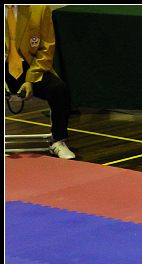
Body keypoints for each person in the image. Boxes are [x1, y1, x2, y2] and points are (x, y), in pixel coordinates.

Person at [4, 5, 75, 159]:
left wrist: (30, 79)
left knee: (59, 89)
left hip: (31, 66)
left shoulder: (40, 8)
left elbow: (46, 50)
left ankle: (58, 140)